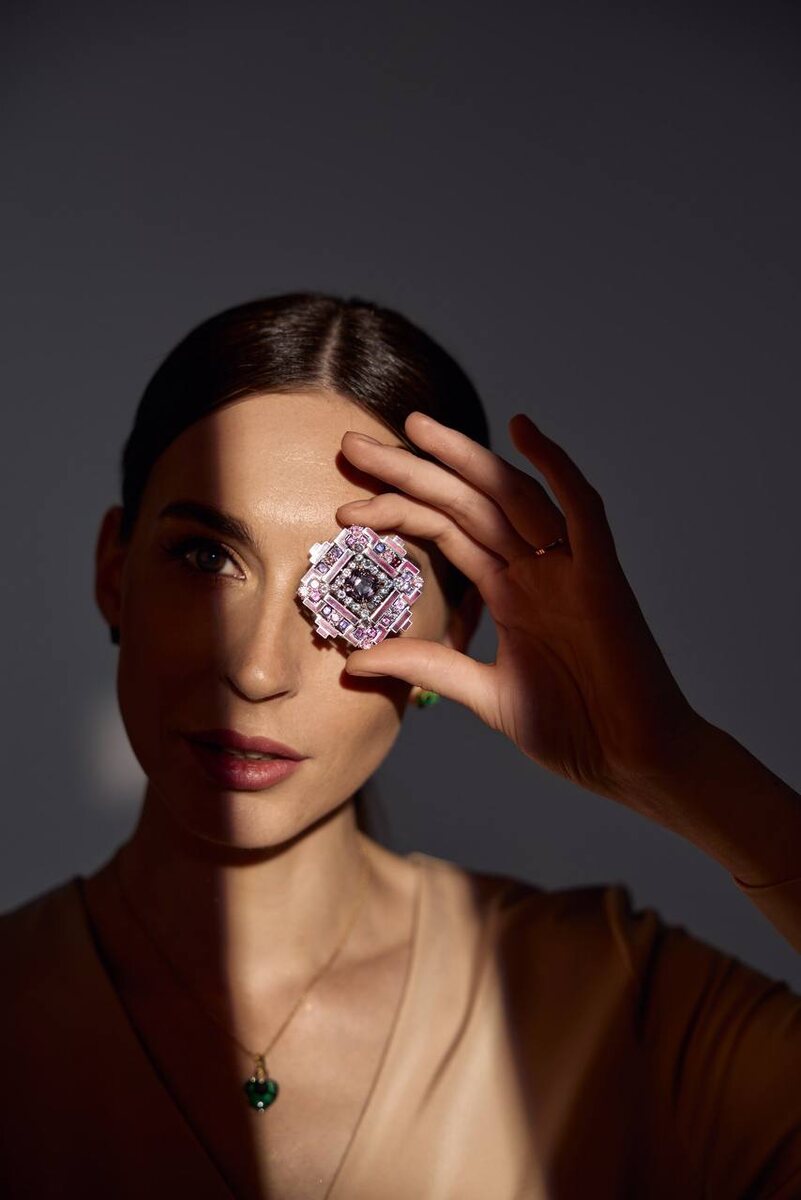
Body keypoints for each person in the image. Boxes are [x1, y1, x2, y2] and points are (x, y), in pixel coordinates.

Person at [1, 291, 800, 1200]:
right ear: (114, 572)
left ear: (457, 631)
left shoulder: (612, 1003)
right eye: (205, 557)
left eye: (354, 586)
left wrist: (682, 767)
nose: (258, 671)